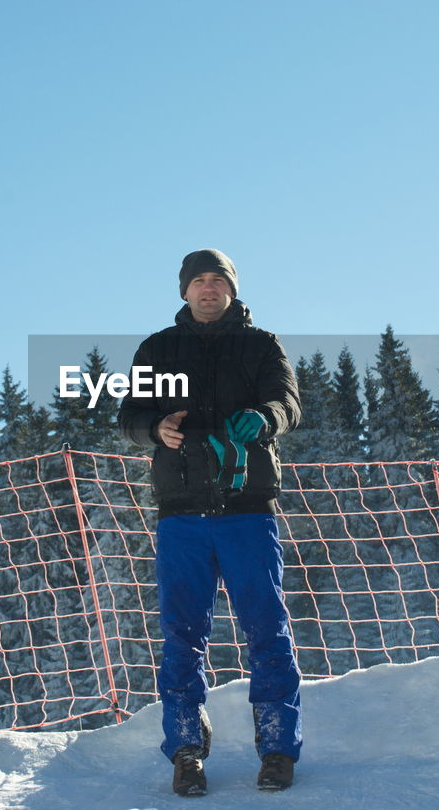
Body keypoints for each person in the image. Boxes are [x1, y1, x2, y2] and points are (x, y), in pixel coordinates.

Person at [118, 248, 302, 797]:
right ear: (184, 291)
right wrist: (155, 430)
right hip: (182, 513)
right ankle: (185, 752)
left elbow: (288, 402)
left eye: (218, 280)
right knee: (181, 637)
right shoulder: (158, 349)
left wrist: (265, 417)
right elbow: (129, 416)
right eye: (198, 280)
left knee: (267, 630)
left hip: (248, 508)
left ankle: (276, 749)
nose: (208, 288)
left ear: (232, 289)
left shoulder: (262, 344)